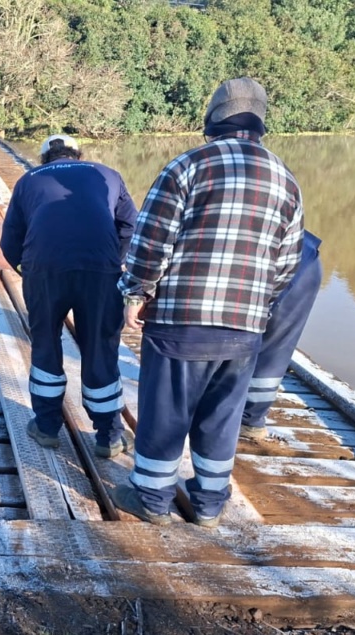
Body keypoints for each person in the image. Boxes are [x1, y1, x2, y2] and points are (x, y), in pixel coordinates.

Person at [116, 78, 304, 527]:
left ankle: (153, 500)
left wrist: (136, 293)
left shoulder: (187, 167)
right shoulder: (285, 180)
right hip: (245, 330)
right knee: (222, 419)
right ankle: (208, 505)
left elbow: (151, 244)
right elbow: (287, 264)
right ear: (260, 122)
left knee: (166, 412)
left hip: (182, 321)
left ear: (213, 117)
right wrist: (257, 310)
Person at [0, 134, 138, 458]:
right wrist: (111, 263)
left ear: (45, 158)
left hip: (45, 270)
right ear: (79, 154)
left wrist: (29, 272)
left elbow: (9, 243)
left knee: (46, 343)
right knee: (101, 348)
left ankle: (47, 427)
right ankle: (109, 436)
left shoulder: (28, 180)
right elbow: (131, 226)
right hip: (101, 273)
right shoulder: (109, 174)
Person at [240, 231, 322, 440]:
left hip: (274, 263)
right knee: (275, 349)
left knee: (233, 339)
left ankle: (246, 419)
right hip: (303, 260)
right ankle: (252, 421)